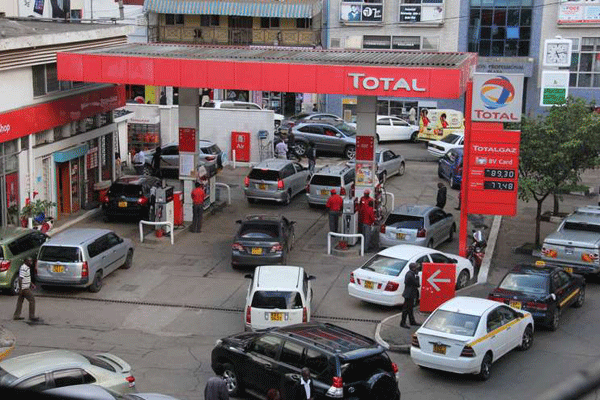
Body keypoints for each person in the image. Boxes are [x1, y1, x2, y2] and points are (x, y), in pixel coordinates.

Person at [13, 258, 39, 322]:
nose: (31, 262)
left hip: (24, 287)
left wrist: (31, 284)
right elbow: (20, 279)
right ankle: (31, 316)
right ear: (25, 261)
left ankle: (16, 315)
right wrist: (21, 289)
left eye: (31, 261)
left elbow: (26, 278)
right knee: (32, 300)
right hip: (25, 288)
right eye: (29, 261)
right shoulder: (23, 268)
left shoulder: (27, 268)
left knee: (20, 301)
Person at [400, 262, 420, 329]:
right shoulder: (411, 275)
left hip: (410, 294)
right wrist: (417, 277)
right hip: (409, 294)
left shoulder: (410, 274)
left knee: (410, 309)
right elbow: (417, 284)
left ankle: (412, 321)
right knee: (406, 309)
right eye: (416, 268)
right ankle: (403, 322)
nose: (417, 269)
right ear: (413, 268)